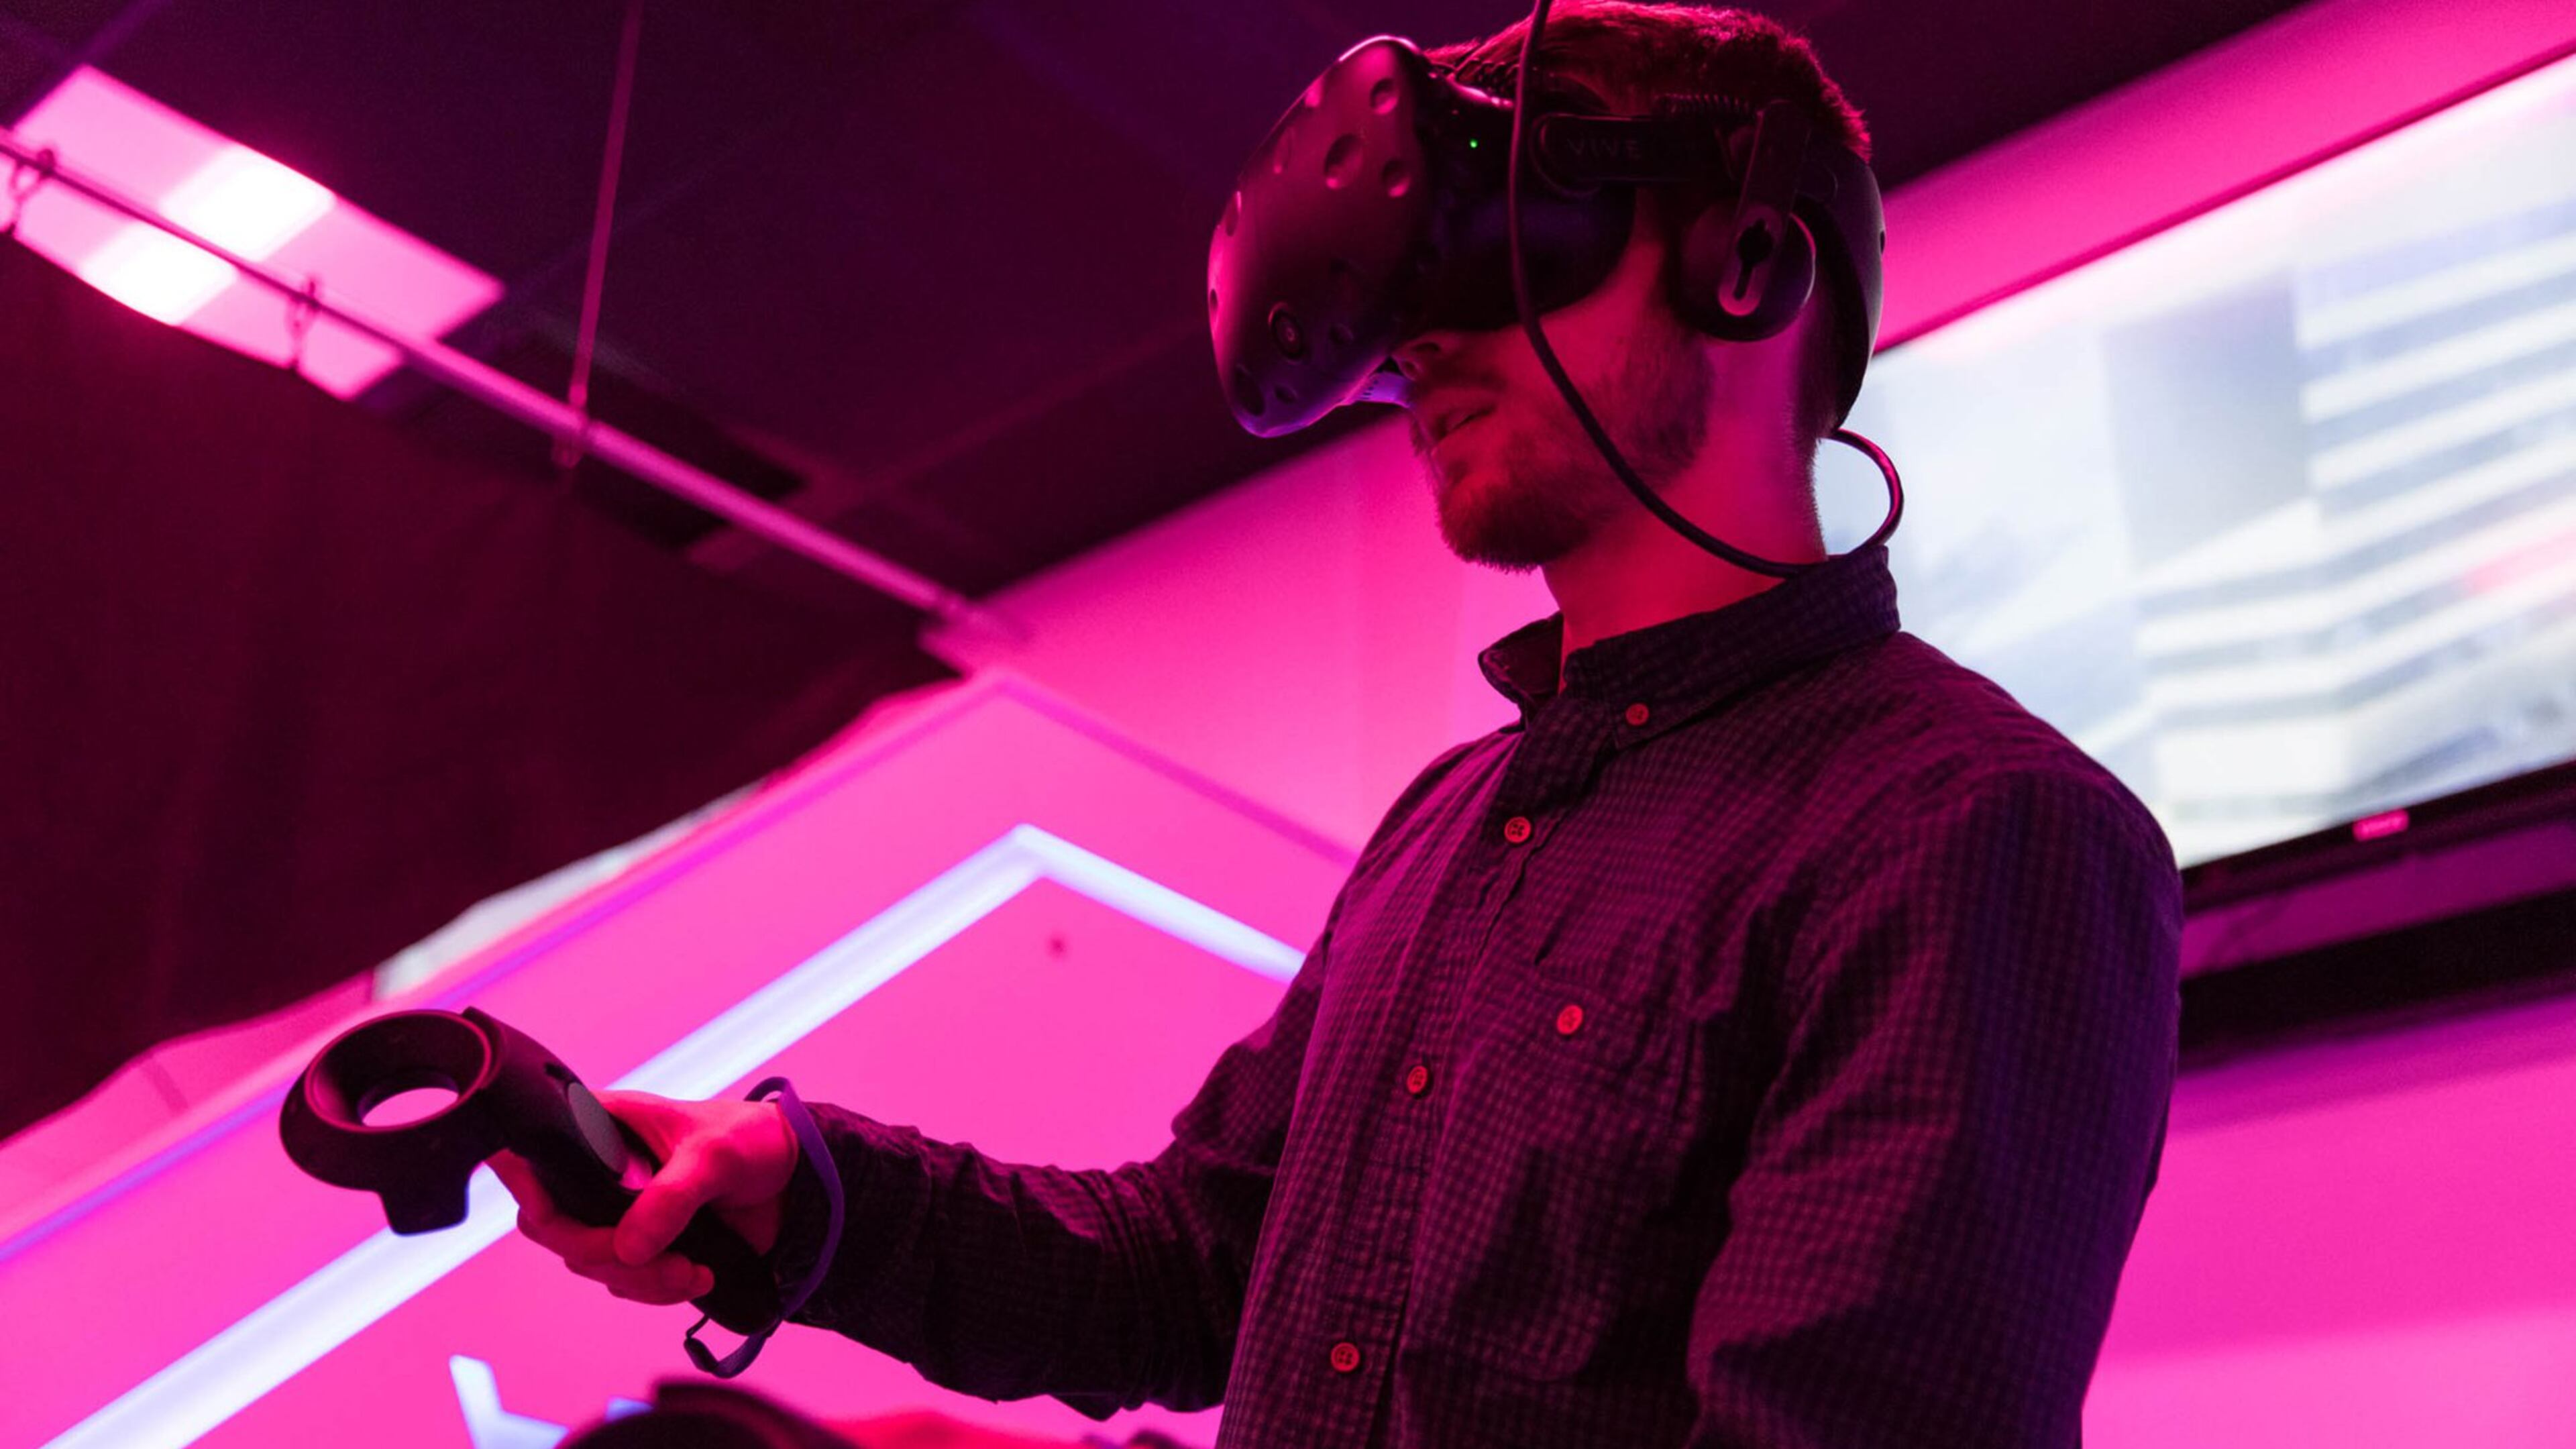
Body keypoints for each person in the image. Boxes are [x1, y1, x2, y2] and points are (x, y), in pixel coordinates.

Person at [497, 5, 2182, 1446]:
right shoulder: (1455, 821)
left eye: (1502, 253)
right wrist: (804, 1192)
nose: (1419, 346)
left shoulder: (1970, 829)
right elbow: (1195, 1265)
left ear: (1747, 268)